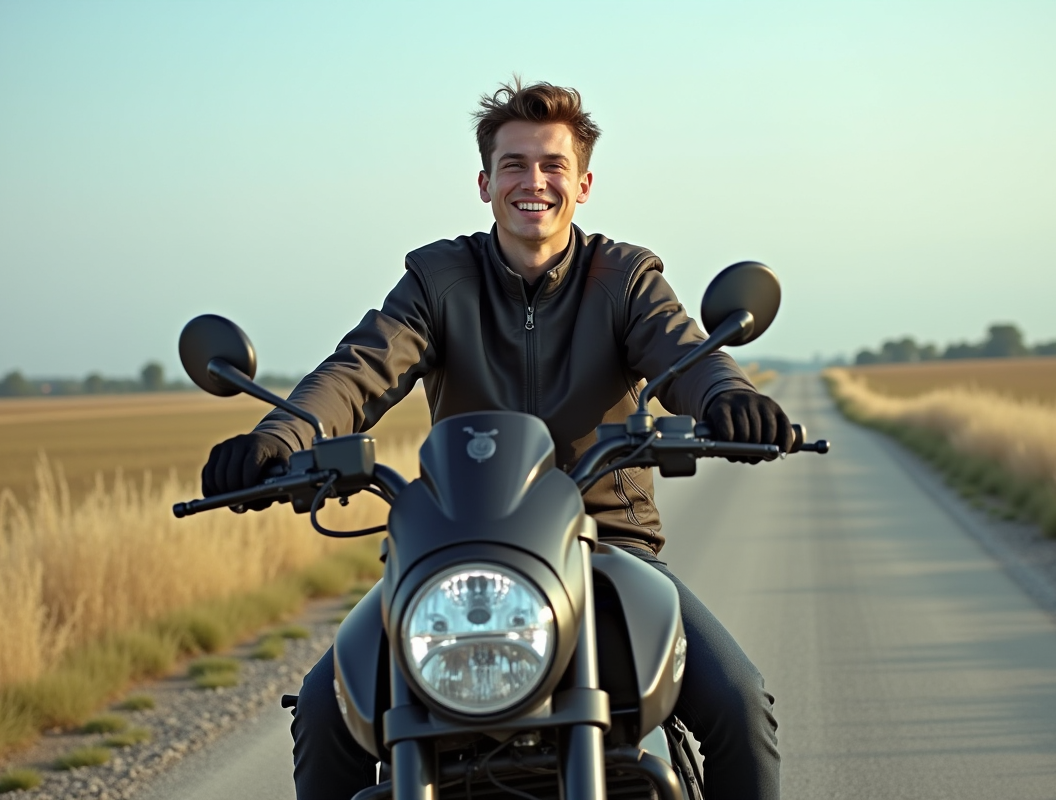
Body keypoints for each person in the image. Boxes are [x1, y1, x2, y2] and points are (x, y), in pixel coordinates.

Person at [201, 78, 792, 800]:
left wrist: (729, 398)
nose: (532, 181)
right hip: (454, 555)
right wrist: (279, 436)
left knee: (738, 702)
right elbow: (359, 370)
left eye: (551, 165)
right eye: (513, 164)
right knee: (327, 710)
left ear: (583, 182)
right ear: (485, 182)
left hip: (603, 548)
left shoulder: (626, 278)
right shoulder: (437, 279)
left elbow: (683, 353)